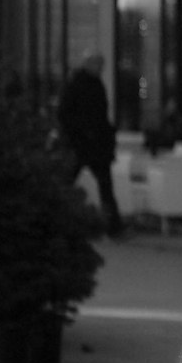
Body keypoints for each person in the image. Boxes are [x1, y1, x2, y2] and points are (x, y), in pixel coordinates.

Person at [57, 52, 125, 237]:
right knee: (76, 182)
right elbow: (66, 114)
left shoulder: (91, 85)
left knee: (102, 185)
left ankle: (114, 226)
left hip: (91, 144)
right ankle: (113, 226)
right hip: (84, 143)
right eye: (98, 64)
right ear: (89, 64)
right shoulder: (79, 86)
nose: (101, 69)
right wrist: (83, 132)